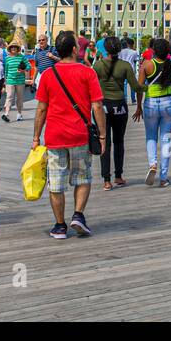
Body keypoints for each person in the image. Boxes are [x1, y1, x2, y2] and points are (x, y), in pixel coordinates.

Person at [32, 31, 105, 239]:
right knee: (82, 177)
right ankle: (78, 215)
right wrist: (101, 136)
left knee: (55, 183)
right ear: (74, 49)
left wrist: (36, 137)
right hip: (80, 135)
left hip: (55, 137)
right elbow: (97, 106)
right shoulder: (87, 73)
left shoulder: (48, 75)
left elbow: (41, 109)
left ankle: (59, 226)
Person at [136, 37, 171, 187]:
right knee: (168, 139)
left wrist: (138, 107)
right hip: (169, 104)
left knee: (151, 136)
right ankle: (163, 177)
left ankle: (152, 164)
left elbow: (139, 88)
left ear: (154, 50)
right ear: (168, 51)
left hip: (151, 104)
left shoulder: (146, 65)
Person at [94, 35, 143, 190]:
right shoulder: (125, 66)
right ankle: (119, 176)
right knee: (119, 141)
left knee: (104, 142)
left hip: (103, 107)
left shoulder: (98, 66)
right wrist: (148, 86)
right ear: (119, 49)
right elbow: (136, 87)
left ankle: (106, 180)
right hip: (120, 106)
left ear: (105, 48)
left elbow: (91, 87)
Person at [1, 41, 28, 122]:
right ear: (10, 49)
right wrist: (5, 80)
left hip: (20, 81)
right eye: (12, 47)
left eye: (15, 47)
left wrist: (23, 70)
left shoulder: (22, 57)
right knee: (9, 97)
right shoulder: (7, 58)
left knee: (19, 98)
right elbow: (6, 70)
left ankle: (19, 114)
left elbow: (29, 66)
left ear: (17, 49)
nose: (13, 48)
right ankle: (6, 114)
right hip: (10, 80)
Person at [119, 38, 141, 104]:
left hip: (122, 68)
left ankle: (125, 99)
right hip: (131, 68)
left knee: (124, 85)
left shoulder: (119, 52)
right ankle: (133, 99)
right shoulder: (133, 52)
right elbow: (137, 59)